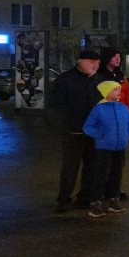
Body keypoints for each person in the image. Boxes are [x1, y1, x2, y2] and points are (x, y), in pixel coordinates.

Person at [49, 49, 102, 212]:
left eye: (97, 63)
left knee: (91, 166)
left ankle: (85, 197)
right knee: (70, 167)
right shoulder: (66, 80)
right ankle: (64, 198)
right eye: (91, 62)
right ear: (81, 61)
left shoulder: (97, 79)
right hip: (74, 131)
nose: (95, 66)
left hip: (93, 132)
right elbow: (56, 105)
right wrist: (69, 123)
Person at [82, 81, 129, 218]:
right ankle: (95, 202)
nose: (119, 92)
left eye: (119, 89)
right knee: (101, 174)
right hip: (104, 148)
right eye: (115, 89)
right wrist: (101, 135)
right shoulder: (99, 109)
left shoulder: (123, 108)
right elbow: (88, 127)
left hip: (120, 147)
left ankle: (113, 200)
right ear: (106, 92)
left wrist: (128, 136)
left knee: (117, 174)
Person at [97, 47, 129, 114]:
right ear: (107, 57)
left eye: (119, 56)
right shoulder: (99, 76)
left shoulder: (121, 75)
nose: (118, 59)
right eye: (114, 56)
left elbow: (127, 97)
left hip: (121, 112)